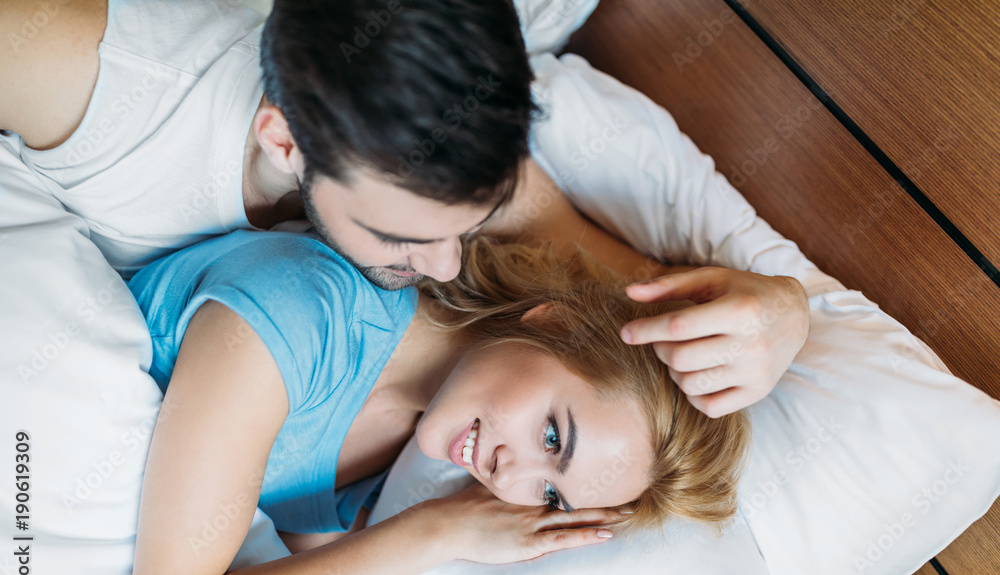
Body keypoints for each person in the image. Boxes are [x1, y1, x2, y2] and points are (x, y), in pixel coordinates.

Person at [0, 0, 810, 418]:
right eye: (403, 237)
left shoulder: (441, 145)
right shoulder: (87, 73)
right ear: (284, 144)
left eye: (469, 224)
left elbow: (638, 291)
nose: (447, 264)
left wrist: (784, 311)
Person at [126, 219, 749, 575]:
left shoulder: (408, 442)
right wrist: (438, 530)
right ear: (552, 320)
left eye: (551, 496)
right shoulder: (301, 313)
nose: (508, 478)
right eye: (553, 435)